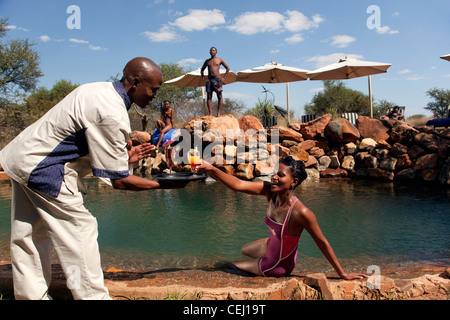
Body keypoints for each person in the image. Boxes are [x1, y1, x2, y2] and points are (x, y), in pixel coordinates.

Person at [0, 57, 178, 300]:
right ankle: (93, 297)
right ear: (135, 82)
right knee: (80, 231)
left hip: (21, 157)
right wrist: (165, 184)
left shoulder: (96, 89)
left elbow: (84, 146)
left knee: (29, 235)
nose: (155, 96)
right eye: (153, 89)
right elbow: (120, 181)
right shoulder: (112, 113)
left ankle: (31, 296)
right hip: (44, 168)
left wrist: (126, 159)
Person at [196, 156, 368, 280]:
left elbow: (322, 242)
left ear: (294, 182)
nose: (274, 177)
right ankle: (275, 243)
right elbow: (238, 185)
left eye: (280, 175)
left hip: (275, 265)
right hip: (274, 246)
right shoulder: (269, 191)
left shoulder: (301, 213)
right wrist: (211, 169)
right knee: (245, 249)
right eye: (275, 173)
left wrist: (342, 274)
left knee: (226, 265)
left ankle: (260, 266)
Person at [201, 47, 230, 117]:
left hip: (217, 80)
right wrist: (204, 79)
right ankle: (210, 113)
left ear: (216, 52)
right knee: (209, 96)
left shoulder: (219, 60)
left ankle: (218, 113)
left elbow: (227, 68)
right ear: (209, 52)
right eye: (211, 50)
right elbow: (202, 70)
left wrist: (224, 78)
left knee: (219, 96)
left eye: (213, 50)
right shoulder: (207, 61)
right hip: (209, 80)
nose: (212, 51)